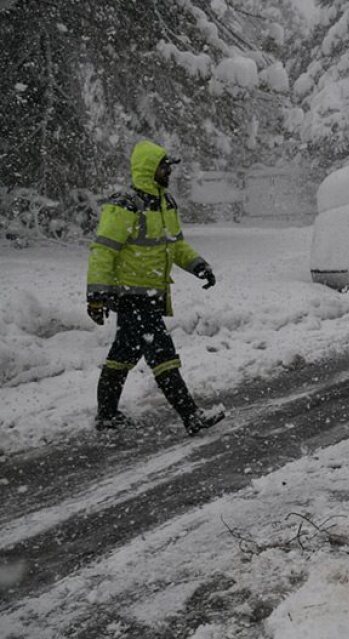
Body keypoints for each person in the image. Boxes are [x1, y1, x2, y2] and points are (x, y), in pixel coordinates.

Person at [86, 139, 225, 435]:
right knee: (163, 355)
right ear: (150, 169)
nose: (169, 172)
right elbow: (103, 250)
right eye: (164, 167)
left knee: (122, 355)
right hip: (131, 295)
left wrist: (198, 265)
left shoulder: (165, 204)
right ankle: (191, 415)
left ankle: (107, 415)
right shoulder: (125, 206)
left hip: (152, 294)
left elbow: (175, 245)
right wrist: (97, 295)